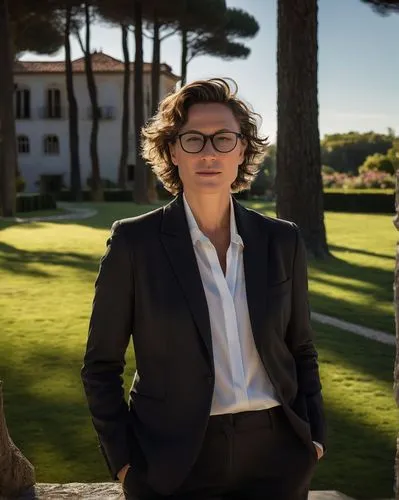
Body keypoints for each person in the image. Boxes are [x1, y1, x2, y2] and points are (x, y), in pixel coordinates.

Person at [81, 78, 326, 500]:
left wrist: (314, 437)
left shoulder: (282, 240)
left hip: (278, 455)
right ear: (173, 151)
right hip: (173, 462)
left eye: (223, 139)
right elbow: (101, 365)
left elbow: (301, 348)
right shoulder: (133, 243)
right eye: (193, 139)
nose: (209, 152)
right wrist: (124, 463)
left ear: (242, 150)